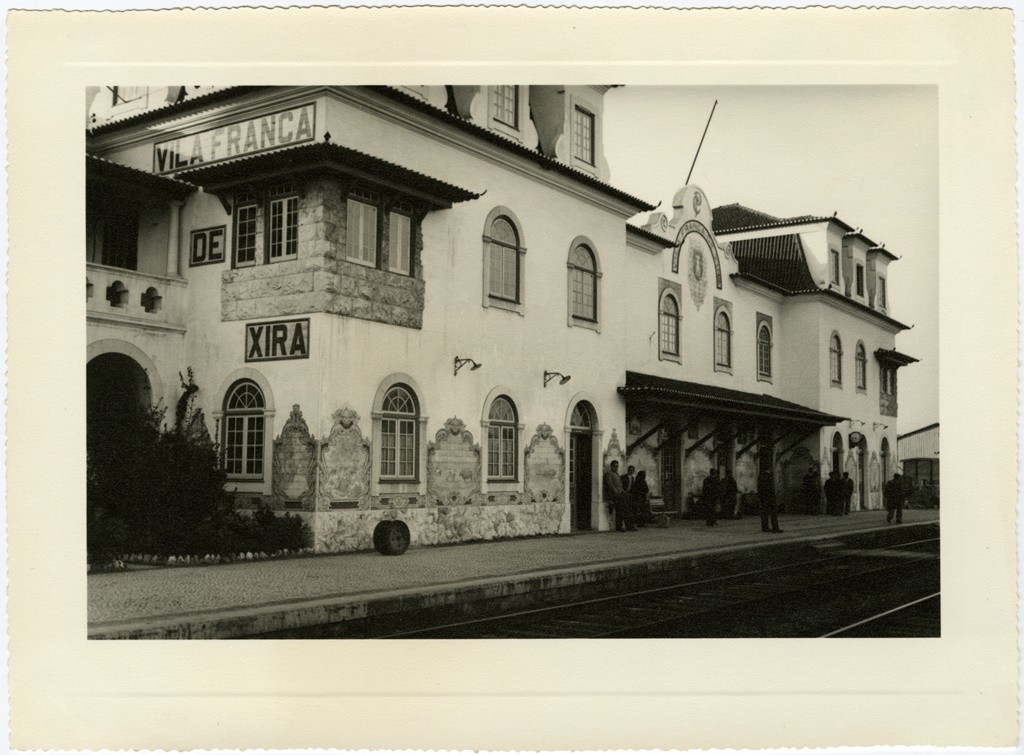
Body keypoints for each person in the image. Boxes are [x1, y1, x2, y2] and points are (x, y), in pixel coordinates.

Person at [603, 460, 632, 532]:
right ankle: (619, 526)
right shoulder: (608, 474)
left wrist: (623, 492)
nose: (616, 468)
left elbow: (620, 485)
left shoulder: (616, 474)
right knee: (620, 509)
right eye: (615, 466)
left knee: (627, 508)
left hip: (620, 493)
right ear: (611, 466)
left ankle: (628, 525)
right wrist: (616, 492)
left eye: (617, 466)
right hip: (614, 495)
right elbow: (610, 485)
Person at [757, 467, 782, 533]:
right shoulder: (768, 476)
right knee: (773, 513)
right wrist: (773, 497)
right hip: (770, 498)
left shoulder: (760, 476)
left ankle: (765, 528)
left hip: (763, 498)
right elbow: (771, 488)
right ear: (769, 469)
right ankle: (775, 528)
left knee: (764, 513)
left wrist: (760, 497)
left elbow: (759, 488)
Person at [620, 464, 638, 529]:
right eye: (630, 470)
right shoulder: (623, 477)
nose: (631, 471)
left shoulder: (633, 478)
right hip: (624, 493)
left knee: (630, 510)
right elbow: (620, 485)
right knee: (626, 509)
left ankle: (630, 525)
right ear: (628, 470)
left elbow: (632, 487)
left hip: (630, 494)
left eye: (633, 470)